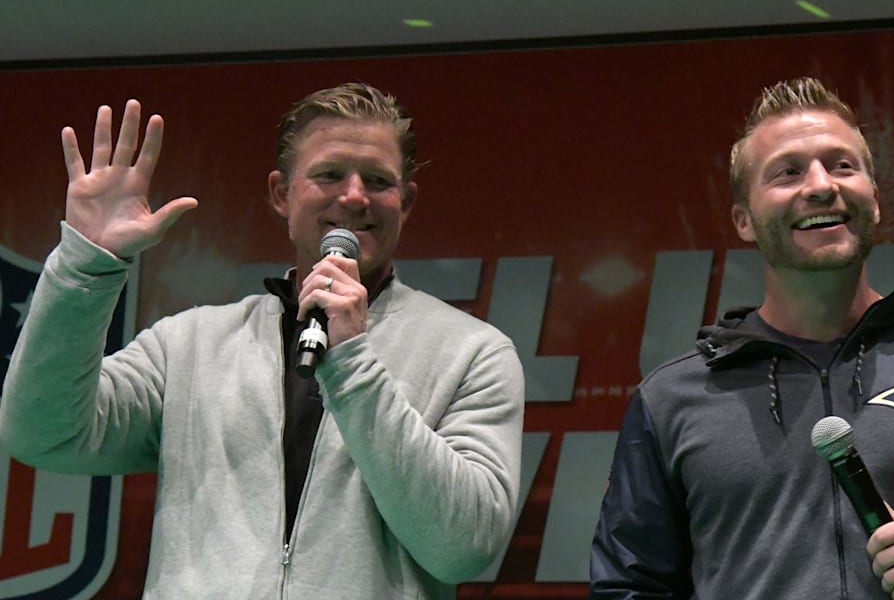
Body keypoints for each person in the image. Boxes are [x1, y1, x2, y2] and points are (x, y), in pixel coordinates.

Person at [0, 83, 525, 598]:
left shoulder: (472, 353)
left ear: (406, 202)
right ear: (281, 193)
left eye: (378, 180)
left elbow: (465, 548)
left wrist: (354, 365)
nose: (355, 195)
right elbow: (42, 433)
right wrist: (87, 264)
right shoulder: (188, 346)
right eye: (330, 174)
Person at [590, 77, 894, 599]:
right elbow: (628, 585)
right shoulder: (670, 400)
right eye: (788, 172)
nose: (821, 185)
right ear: (743, 220)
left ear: (874, 202)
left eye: (843, 165)